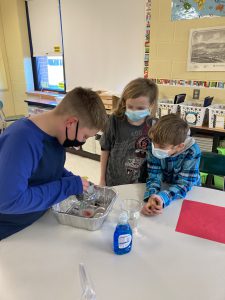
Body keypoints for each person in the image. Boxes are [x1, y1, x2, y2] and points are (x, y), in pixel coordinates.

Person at [0, 87, 107, 239]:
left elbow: (46, 168)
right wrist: (66, 186)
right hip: (11, 233)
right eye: (85, 136)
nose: (82, 142)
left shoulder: (56, 136)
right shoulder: (21, 140)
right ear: (71, 122)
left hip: (37, 221)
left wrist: (73, 180)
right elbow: (9, 200)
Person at [99, 78, 158, 186]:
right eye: (130, 107)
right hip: (113, 180)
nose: (134, 111)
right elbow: (105, 148)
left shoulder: (153, 125)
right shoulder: (115, 120)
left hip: (140, 183)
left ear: (151, 104)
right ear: (124, 102)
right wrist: (102, 179)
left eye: (140, 108)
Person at [142, 114, 201, 216]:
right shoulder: (154, 145)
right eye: (154, 142)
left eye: (161, 146)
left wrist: (162, 198)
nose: (155, 148)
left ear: (179, 147)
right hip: (166, 187)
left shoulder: (192, 151)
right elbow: (154, 176)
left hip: (188, 192)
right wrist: (153, 197)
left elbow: (184, 184)